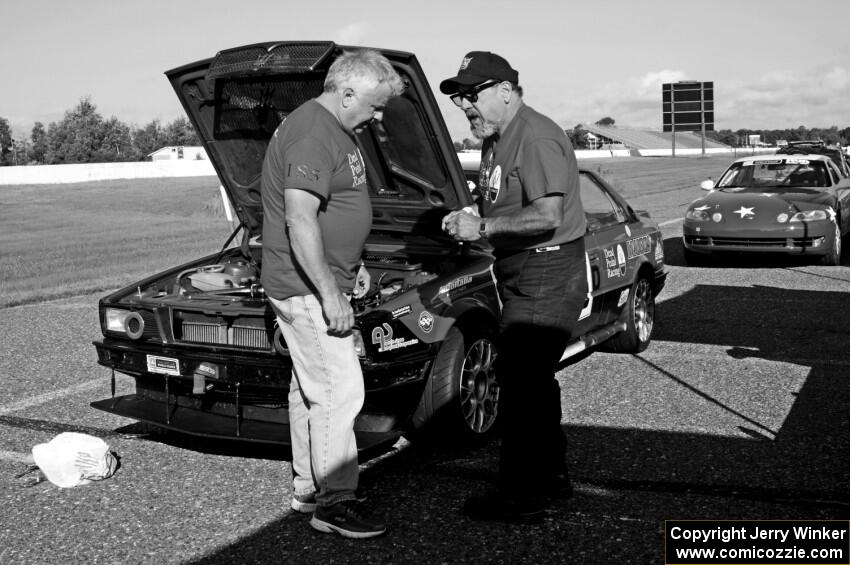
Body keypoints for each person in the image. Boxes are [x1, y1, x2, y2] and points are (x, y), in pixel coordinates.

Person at [260, 49, 404, 539]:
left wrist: (351, 266)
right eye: (375, 106)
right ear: (346, 93)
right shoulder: (312, 133)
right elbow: (299, 219)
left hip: (318, 280)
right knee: (340, 392)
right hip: (306, 289)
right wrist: (329, 293)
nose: (378, 117)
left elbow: (332, 209)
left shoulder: (333, 129)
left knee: (309, 389)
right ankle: (335, 504)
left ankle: (307, 489)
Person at [439, 51, 587, 523]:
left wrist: (479, 229)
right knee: (533, 381)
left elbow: (548, 216)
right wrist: (469, 218)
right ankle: (550, 476)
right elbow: (501, 206)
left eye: (472, 94)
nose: (465, 105)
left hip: (547, 270)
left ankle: (521, 494)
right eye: (460, 97)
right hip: (524, 271)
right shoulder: (496, 139)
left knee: (521, 384)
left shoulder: (537, 136)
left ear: (505, 90)